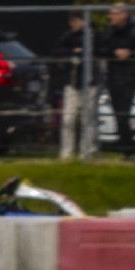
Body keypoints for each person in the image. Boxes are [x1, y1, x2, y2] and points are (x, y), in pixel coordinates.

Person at [98, 3, 135, 159]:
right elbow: (99, 49)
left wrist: (131, 54)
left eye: (114, 14)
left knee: (124, 113)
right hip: (113, 76)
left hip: (130, 77)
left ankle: (128, 148)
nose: (110, 17)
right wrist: (113, 52)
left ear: (124, 15)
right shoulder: (109, 31)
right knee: (118, 114)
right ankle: (127, 147)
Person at [51, 12, 97, 160]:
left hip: (90, 83)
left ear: (83, 21)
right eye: (71, 21)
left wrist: (82, 53)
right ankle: (66, 153)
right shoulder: (68, 36)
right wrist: (72, 52)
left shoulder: (94, 36)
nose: (72, 24)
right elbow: (57, 51)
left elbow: (97, 51)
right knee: (68, 119)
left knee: (88, 119)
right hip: (72, 82)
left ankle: (87, 152)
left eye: (75, 21)